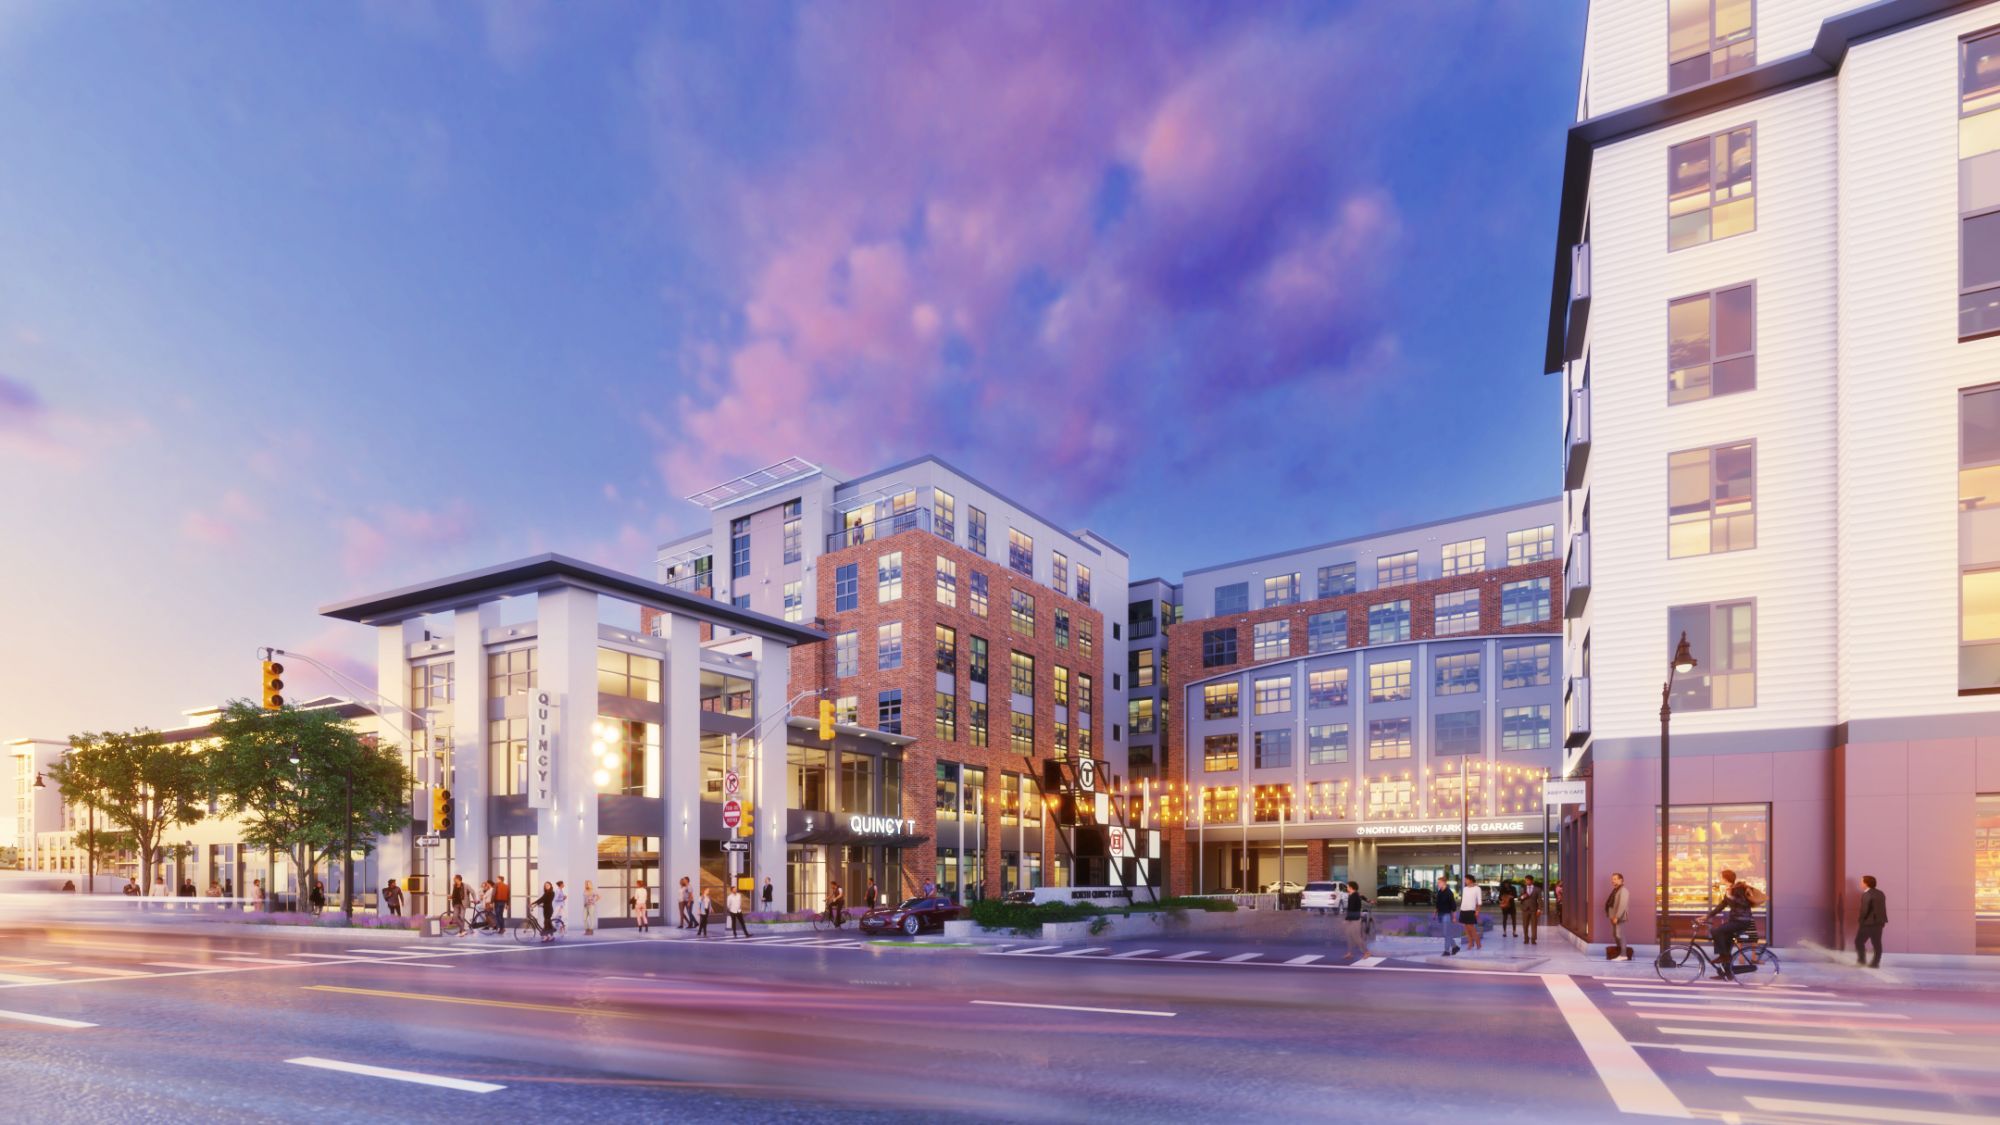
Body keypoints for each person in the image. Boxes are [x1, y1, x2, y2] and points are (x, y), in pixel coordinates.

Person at [1706, 869, 1759, 980]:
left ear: (1725, 878)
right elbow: (1722, 905)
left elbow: (1744, 903)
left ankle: (1723, 956)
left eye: (1721, 877)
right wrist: (1708, 916)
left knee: (1716, 931)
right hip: (1735, 920)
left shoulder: (1737, 889)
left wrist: (1731, 896)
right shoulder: (1729, 890)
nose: (1720, 879)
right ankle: (1727, 972)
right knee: (1725, 944)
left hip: (1742, 921)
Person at [1856, 874, 1887, 968]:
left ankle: (1862, 960)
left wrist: (1860, 921)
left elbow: (1864, 910)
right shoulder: (1880, 893)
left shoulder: (1867, 894)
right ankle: (1875, 963)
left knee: (1859, 941)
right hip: (1880, 922)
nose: (1860, 883)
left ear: (1866, 883)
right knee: (1877, 943)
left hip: (1868, 923)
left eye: (1862, 881)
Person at [1605, 872, 1630, 960]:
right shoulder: (1616, 890)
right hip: (1613, 916)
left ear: (1621, 880)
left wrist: (1617, 916)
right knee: (1615, 935)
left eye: (1615, 879)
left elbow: (1622, 905)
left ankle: (1623, 955)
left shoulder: (1623, 890)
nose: (1613, 881)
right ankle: (1620, 952)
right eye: (1612, 879)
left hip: (1619, 917)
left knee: (1620, 935)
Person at [1342, 881, 1370, 958]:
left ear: (1351, 887)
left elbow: (1352, 908)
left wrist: (1347, 919)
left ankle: (1366, 952)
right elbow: (1362, 896)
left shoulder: (1354, 896)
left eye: (1347, 887)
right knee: (1349, 937)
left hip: (1354, 919)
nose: (1347, 888)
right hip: (1351, 918)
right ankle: (1350, 953)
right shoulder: (1353, 895)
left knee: (1356, 937)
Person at [1433, 876, 1460, 956]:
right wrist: (1435, 913)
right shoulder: (1439, 892)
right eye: (1438, 883)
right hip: (1440, 914)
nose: (1438, 884)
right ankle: (1455, 947)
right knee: (1446, 933)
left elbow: (1453, 906)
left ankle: (1447, 951)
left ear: (1444, 883)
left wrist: (1454, 917)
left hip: (1447, 915)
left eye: (1439, 882)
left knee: (1446, 933)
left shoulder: (1449, 893)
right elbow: (1437, 904)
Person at [1459, 874, 1483, 951]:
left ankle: (1478, 943)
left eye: (1466, 879)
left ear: (1471, 880)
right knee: (1466, 928)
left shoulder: (1477, 888)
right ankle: (1470, 943)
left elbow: (1479, 902)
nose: (1465, 881)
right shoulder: (1465, 889)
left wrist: (1477, 911)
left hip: (1471, 910)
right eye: (1465, 879)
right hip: (1463, 910)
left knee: (1471, 928)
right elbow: (1464, 900)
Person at [1520, 876, 1543, 945]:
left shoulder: (1537, 889)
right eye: (1526, 880)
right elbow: (1519, 898)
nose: (1526, 882)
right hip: (1525, 909)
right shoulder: (1523, 888)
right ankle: (1526, 939)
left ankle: (1533, 939)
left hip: (1534, 909)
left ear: (1532, 881)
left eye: (1528, 880)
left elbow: (1540, 900)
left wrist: (1539, 909)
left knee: (1534, 925)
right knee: (1525, 925)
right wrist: (1522, 897)